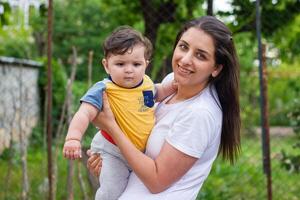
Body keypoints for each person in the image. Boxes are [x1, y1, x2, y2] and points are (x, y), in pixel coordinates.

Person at [88, 16, 241, 200]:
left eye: (200, 55)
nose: (185, 60)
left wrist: (110, 126)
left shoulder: (200, 113)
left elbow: (157, 181)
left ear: (216, 68)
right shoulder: (171, 83)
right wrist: (111, 160)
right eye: (183, 47)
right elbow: (137, 133)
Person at [63, 26, 176, 200]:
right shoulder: (104, 89)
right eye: (120, 64)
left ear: (146, 64)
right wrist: (73, 138)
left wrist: (172, 86)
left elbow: (158, 93)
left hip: (138, 153)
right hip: (113, 151)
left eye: (136, 64)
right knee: (112, 191)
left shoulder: (146, 84)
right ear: (106, 65)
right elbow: (84, 113)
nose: (129, 70)